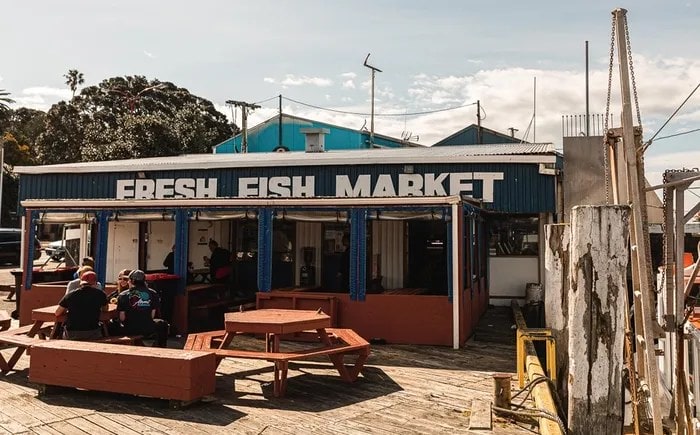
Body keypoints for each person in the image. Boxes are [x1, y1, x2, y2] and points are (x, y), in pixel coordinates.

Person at [109, 269, 168, 347]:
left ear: (131, 281)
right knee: (162, 324)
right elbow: (152, 316)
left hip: (129, 329)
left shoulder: (123, 295)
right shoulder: (153, 293)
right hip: (148, 328)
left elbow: (122, 318)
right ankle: (160, 347)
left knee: (110, 325)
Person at [55, 271, 108, 341]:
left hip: (72, 333)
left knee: (58, 334)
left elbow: (57, 313)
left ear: (81, 282)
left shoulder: (71, 295)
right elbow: (105, 310)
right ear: (95, 283)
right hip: (93, 333)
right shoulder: (101, 294)